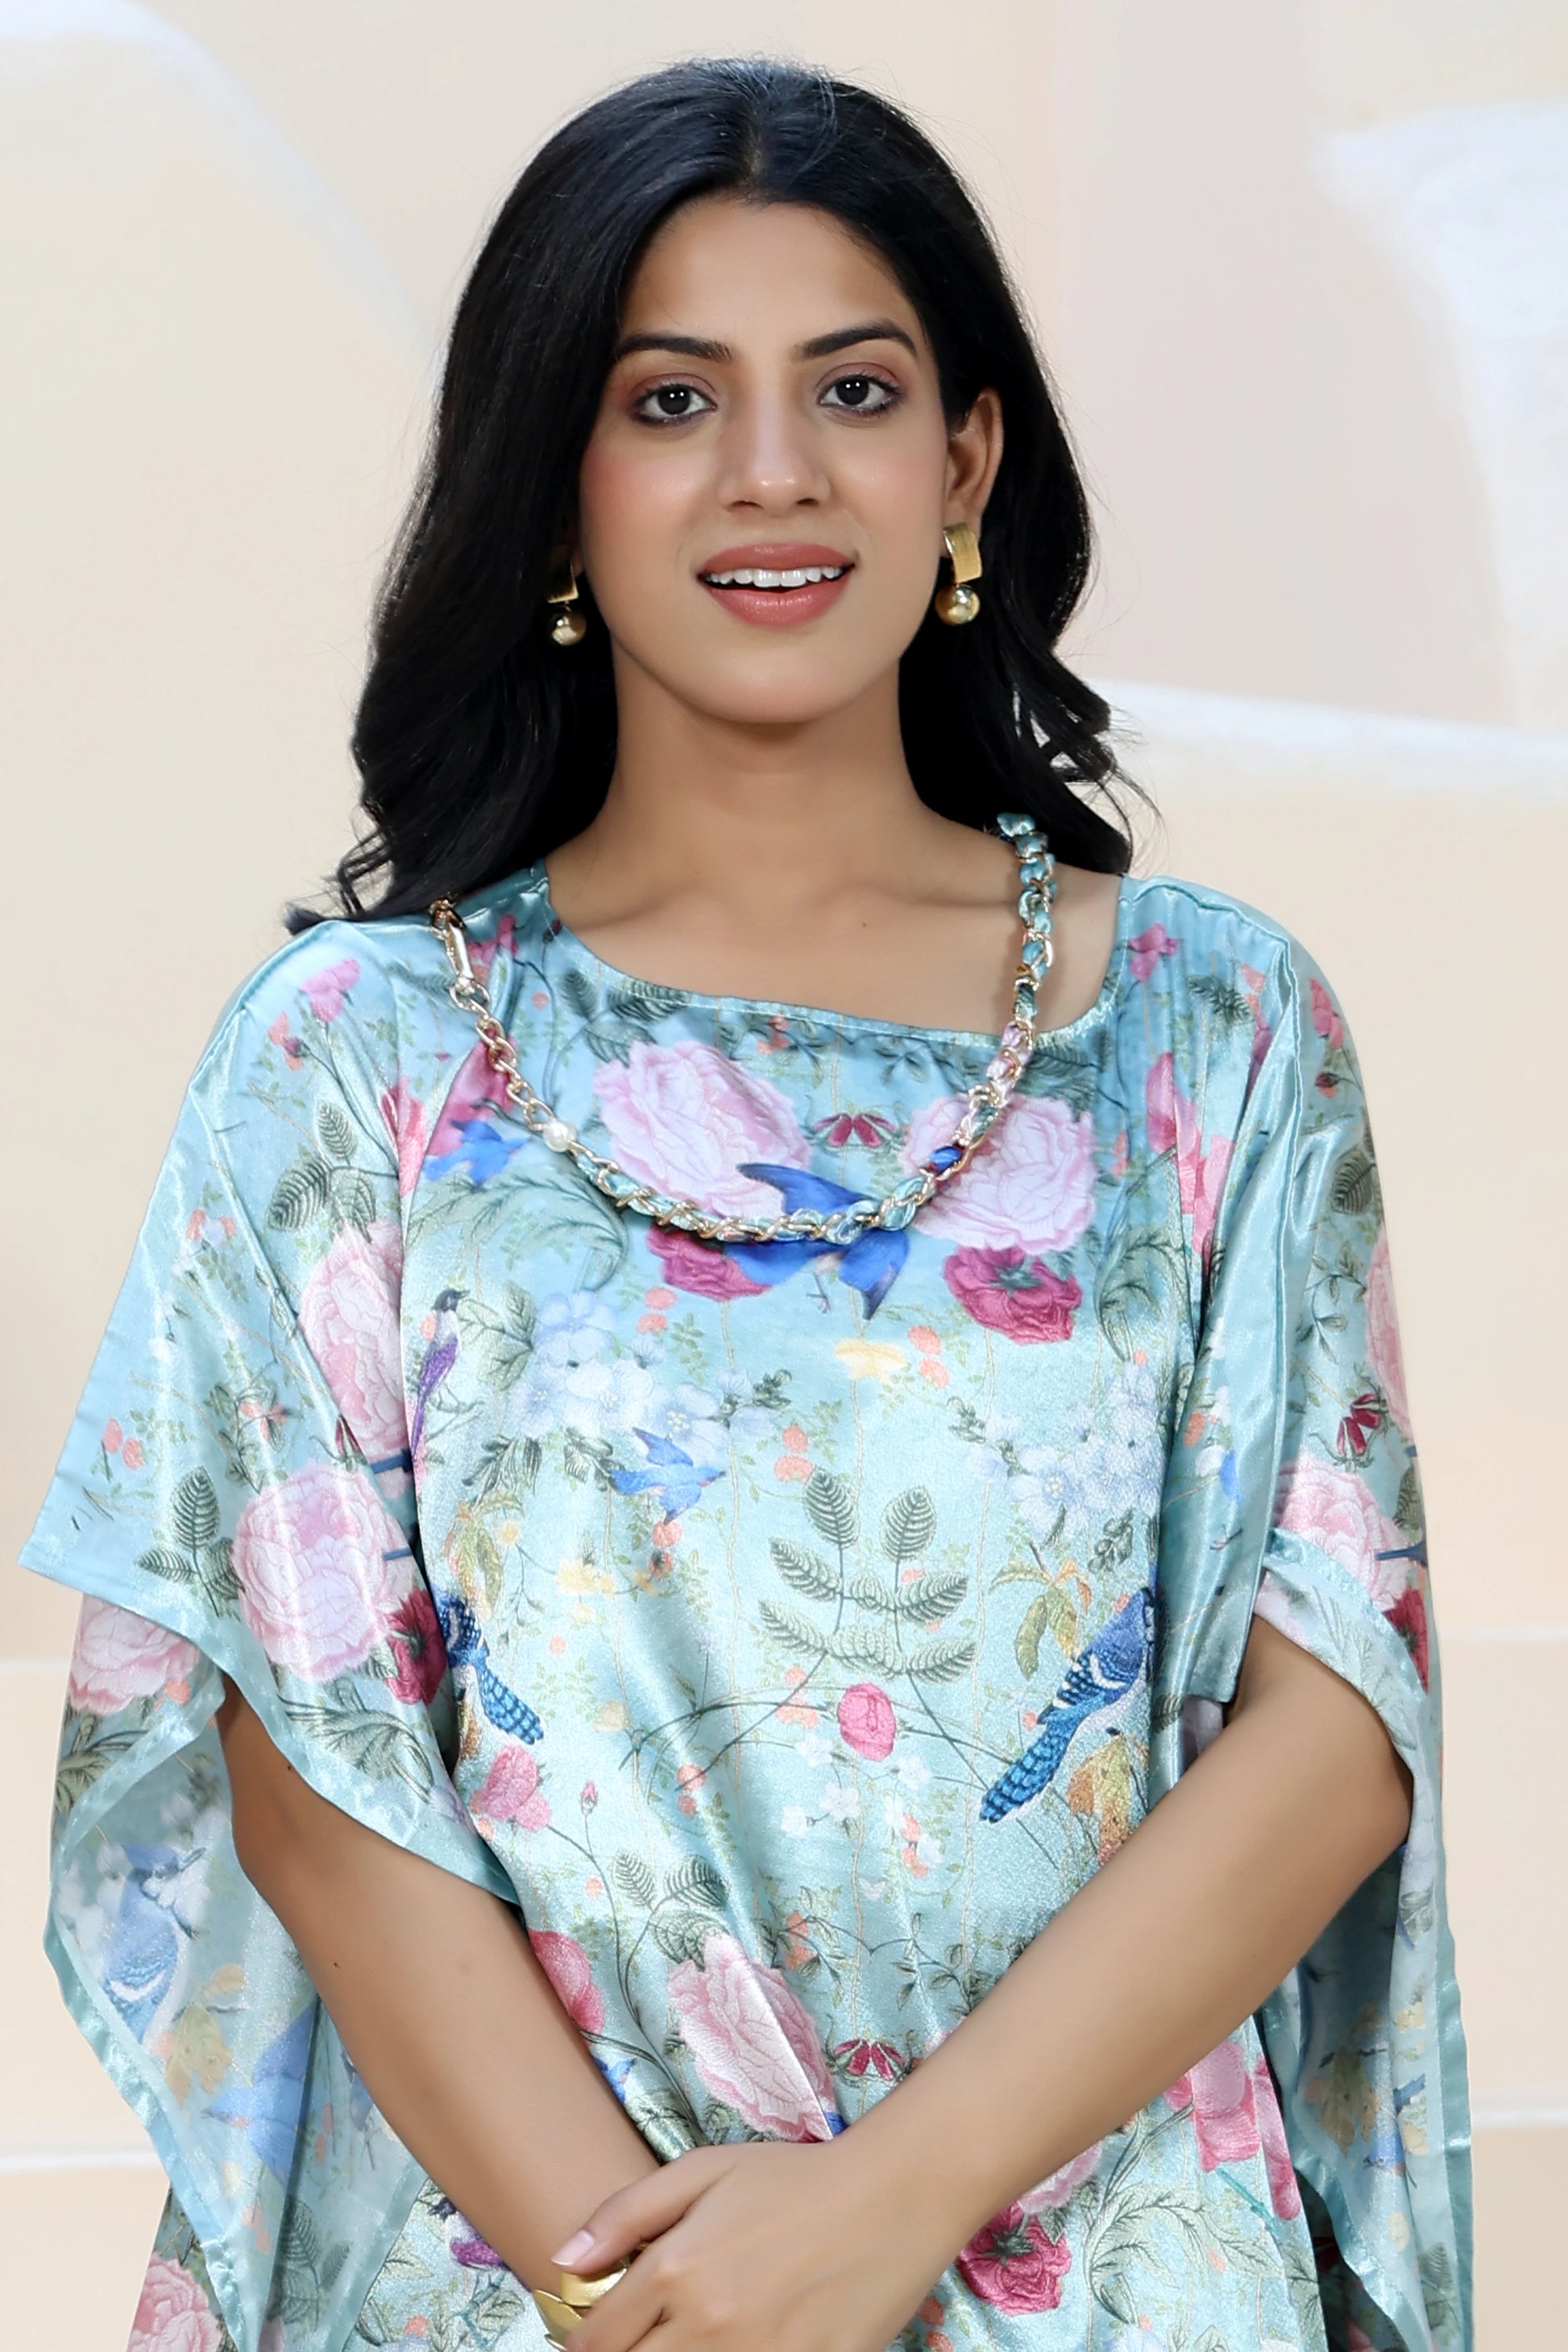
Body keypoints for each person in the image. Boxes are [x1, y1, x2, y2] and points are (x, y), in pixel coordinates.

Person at [22, 56, 1471, 2352]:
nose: (772, 471)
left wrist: (885, 2208)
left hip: (1107, 2262)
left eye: (855, 391)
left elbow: (1329, 1722)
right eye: (670, 398)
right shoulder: (351, 1058)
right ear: (554, 481)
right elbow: (309, 1765)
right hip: (528, 2279)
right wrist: (654, 2301)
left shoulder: (1212, 1029)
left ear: (964, 462)